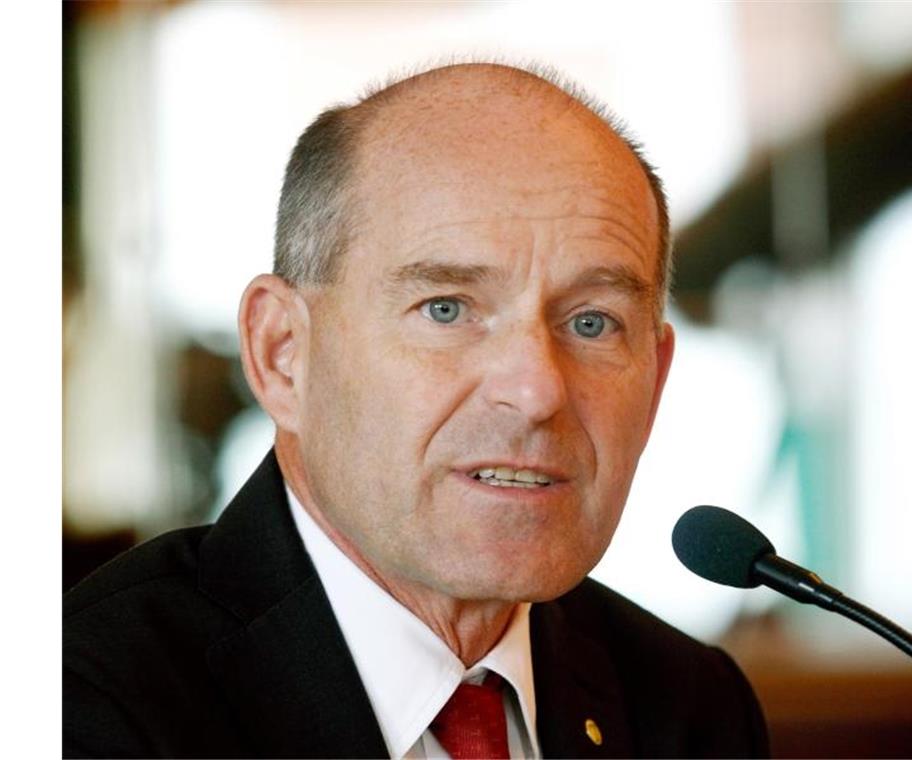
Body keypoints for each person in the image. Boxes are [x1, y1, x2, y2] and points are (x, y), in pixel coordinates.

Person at [63, 62, 769, 758]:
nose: (536, 391)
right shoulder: (81, 705)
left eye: (592, 323)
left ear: (655, 382)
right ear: (283, 354)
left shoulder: (692, 707)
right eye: (446, 309)